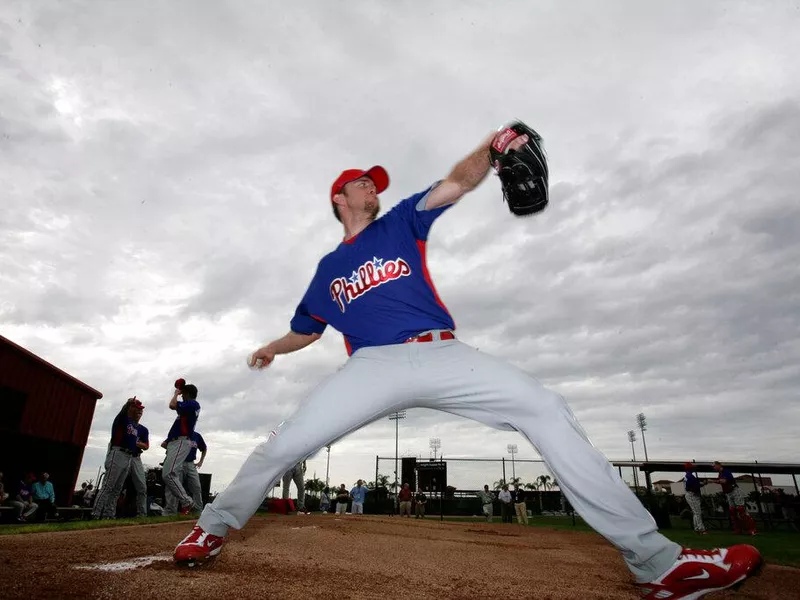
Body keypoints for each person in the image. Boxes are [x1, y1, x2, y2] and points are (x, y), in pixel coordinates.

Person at [172, 128, 762, 597]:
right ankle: (213, 526)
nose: (373, 187)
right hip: (372, 366)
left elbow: (458, 180)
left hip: (443, 351)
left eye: (374, 182)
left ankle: (656, 563)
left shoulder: (402, 219)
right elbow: (306, 331)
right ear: (339, 198)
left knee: (546, 408)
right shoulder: (328, 270)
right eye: (361, 182)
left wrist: (493, 147)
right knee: (284, 445)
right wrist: (271, 348)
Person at [92, 398, 141, 519]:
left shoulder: (134, 424)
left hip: (128, 456)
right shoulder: (122, 419)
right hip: (117, 453)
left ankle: (109, 514)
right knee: (108, 486)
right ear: (130, 408)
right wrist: (128, 403)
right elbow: (123, 412)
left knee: (118, 488)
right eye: (136, 407)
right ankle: (96, 514)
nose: (138, 410)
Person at [162, 383, 201, 516]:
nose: (182, 395)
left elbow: (172, 405)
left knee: (168, 474)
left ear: (188, 393)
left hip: (181, 441)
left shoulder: (192, 404)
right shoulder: (188, 407)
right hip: (177, 441)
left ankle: (187, 502)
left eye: (183, 393)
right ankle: (174, 508)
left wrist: (176, 394)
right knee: (169, 475)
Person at [712, 461, 757, 536]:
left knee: (741, 509)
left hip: (734, 491)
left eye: (714, 466)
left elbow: (724, 480)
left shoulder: (726, 471)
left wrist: (713, 481)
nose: (714, 467)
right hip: (728, 493)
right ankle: (738, 528)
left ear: (719, 465)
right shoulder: (720, 474)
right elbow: (721, 481)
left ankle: (751, 529)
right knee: (732, 511)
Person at [130, 404, 150, 518]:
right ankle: (106, 513)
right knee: (115, 486)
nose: (140, 412)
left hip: (136, 457)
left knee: (142, 487)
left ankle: (142, 514)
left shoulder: (143, 429)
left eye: (141, 411)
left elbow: (146, 446)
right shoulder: (126, 423)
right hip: (122, 455)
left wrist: (133, 441)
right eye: (137, 410)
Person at [183, 431, 208, 512]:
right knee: (175, 487)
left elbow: (204, 448)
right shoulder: (178, 432)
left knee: (196, 487)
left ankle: (198, 511)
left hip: (191, 463)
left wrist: (201, 461)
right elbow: (164, 444)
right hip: (178, 462)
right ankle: (171, 511)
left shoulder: (196, 435)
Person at [683, 462, 706, 535]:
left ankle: (697, 528)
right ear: (689, 468)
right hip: (691, 494)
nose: (693, 468)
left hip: (690, 494)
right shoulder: (690, 476)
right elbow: (693, 487)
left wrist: (701, 484)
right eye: (691, 467)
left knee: (696, 513)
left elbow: (695, 485)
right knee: (697, 513)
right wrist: (702, 484)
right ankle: (701, 529)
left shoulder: (688, 475)